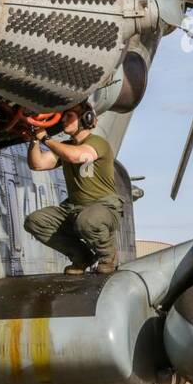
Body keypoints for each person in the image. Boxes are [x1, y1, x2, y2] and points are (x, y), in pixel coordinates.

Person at [23, 104, 123, 275]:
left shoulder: (98, 143)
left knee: (88, 220)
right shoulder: (66, 146)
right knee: (35, 221)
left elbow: (75, 156)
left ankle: (107, 257)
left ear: (86, 119)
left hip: (104, 208)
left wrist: (46, 138)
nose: (63, 120)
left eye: (68, 116)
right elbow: (37, 164)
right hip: (74, 209)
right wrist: (34, 140)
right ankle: (81, 256)